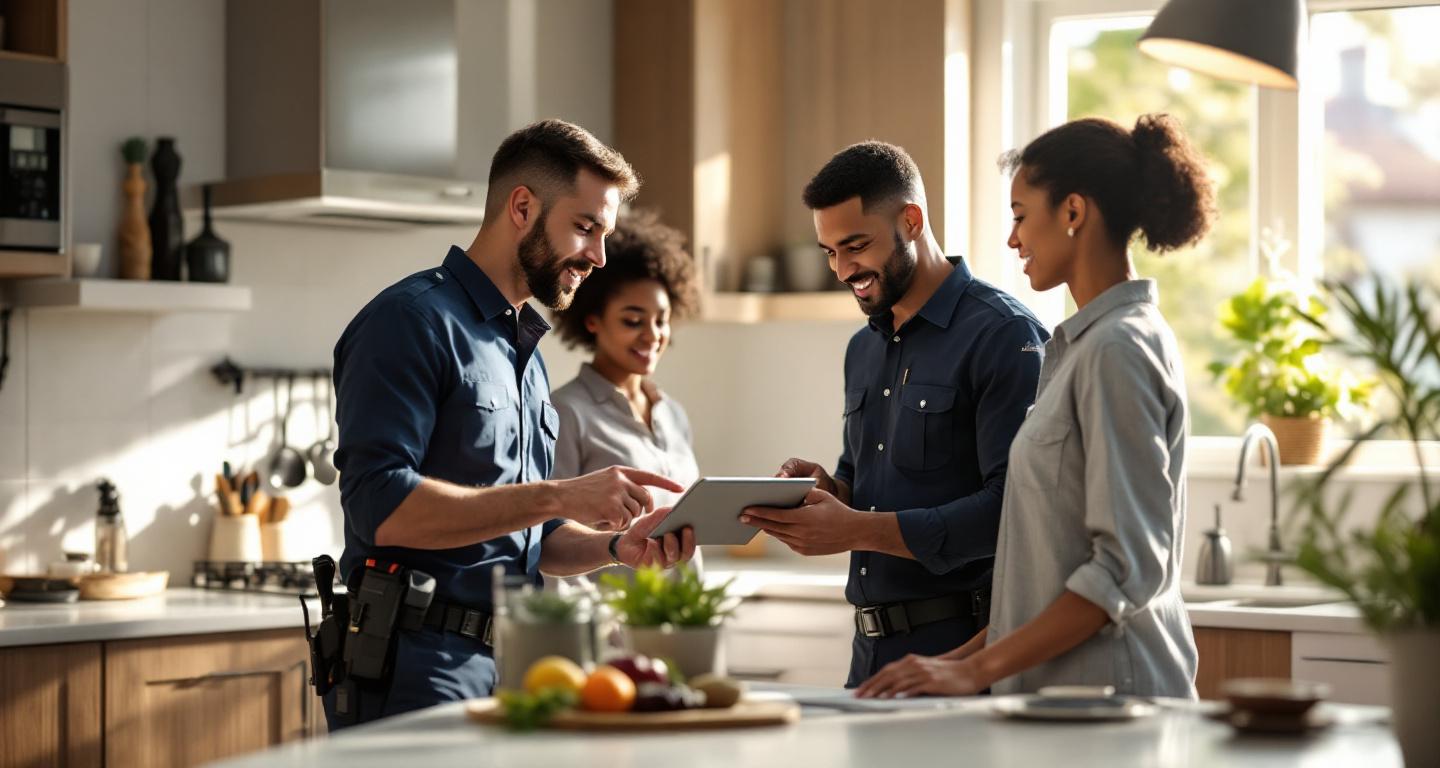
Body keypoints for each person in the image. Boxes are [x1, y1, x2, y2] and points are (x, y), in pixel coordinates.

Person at [329, 119, 696, 728]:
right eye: (585, 228)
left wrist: (614, 547)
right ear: (522, 207)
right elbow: (380, 504)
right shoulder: (410, 322)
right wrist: (561, 493)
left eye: (604, 235)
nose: (599, 257)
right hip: (413, 666)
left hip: (511, 668)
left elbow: (534, 539)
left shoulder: (521, 350)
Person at [856, 114, 1213, 699]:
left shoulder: (1118, 348)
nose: (1012, 238)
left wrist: (973, 670)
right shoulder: (1077, 347)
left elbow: (1125, 570)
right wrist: (952, 665)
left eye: (1021, 215)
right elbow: (1046, 579)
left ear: (1073, 212)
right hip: (1059, 705)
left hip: (1113, 701)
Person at [740, 141, 1049, 688]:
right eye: (829, 251)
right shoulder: (863, 349)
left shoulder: (1003, 336)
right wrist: (829, 492)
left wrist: (857, 529)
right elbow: (863, 484)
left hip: (964, 656)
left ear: (911, 220)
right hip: (869, 657)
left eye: (856, 246)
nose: (842, 269)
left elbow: (1015, 512)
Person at [548, 209, 705, 575]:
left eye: (661, 320)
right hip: (611, 624)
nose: (653, 336)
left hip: (679, 621)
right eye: (633, 321)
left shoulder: (672, 414)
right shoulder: (565, 412)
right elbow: (550, 534)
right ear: (593, 320)